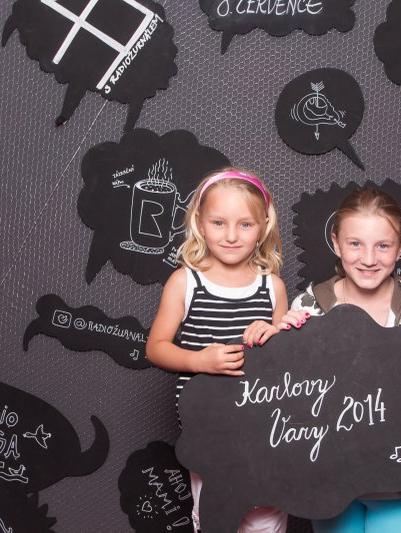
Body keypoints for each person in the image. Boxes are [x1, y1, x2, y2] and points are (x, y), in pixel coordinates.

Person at [281, 186, 401, 533]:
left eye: (383, 245)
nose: (368, 258)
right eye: (355, 244)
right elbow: (291, 396)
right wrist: (281, 345)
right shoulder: (308, 308)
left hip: (400, 481)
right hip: (329, 479)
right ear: (336, 243)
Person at [146, 168, 289, 533]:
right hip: (208, 430)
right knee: (217, 517)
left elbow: (290, 363)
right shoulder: (185, 281)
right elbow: (156, 348)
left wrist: (276, 334)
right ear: (200, 222)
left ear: (263, 226)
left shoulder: (272, 286)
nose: (231, 235)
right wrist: (199, 360)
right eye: (219, 222)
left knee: (266, 519)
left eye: (245, 224)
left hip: (264, 431)